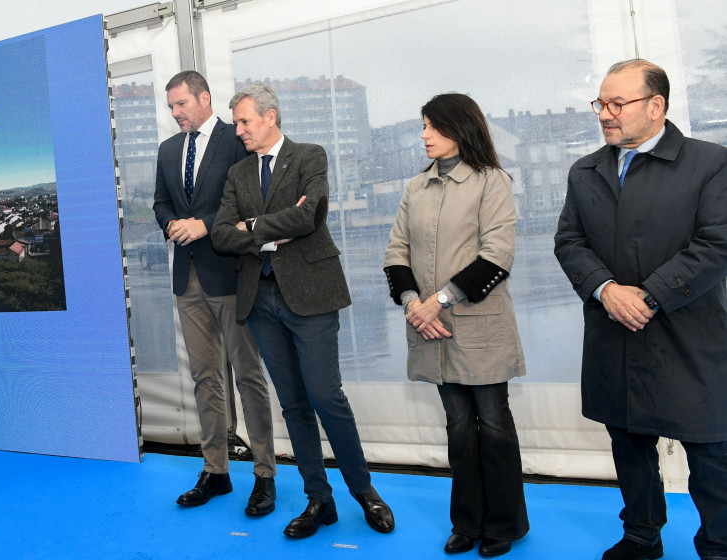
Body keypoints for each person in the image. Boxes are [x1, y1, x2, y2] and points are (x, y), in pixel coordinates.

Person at [554, 59, 727, 560]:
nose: (604, 114)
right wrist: (606, 290)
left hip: (688, 333)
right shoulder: (585, 171)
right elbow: (569, 242)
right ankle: (641, 536)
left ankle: (719, 547)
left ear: (656, 106)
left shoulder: (711, 162)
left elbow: (716, 244)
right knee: (629, 444)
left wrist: (648, 296)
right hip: (614, 331)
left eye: (617, 104)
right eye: (600, 104)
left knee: (712, 451)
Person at [211, 83, 394, 538]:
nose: (239, 130)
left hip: (311, 294)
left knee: (326, 397)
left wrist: (252, 225)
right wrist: (272, 229)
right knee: (293, 403)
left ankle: (364, 492)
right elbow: (221, 235)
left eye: (245, 121)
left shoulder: (310, 156)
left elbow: (310, 216)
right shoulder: (237, 174)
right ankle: (319, 500)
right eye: (236, 123)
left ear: (270, 117)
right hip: (260, 300)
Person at [383, 93, 529, 557]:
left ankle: (504, 524)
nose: (423, 135)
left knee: (494, 425)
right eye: (423, 125)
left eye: (432, 126)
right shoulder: (416, 187)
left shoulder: (492, 181)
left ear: (460, 128)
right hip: (431, 328)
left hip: (479, 327)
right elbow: (396, 252)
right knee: (459, 427)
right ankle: (466, 522)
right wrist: (414, 305)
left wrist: (438, 301)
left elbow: (497, 255)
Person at [152, 70, 277, 516]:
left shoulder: (236, 139)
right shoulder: (168, 149)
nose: (175, 112)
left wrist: (204, 225)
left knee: (248, 376)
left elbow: (249, 200)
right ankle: (216, 471)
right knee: (205, 377)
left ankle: (265, 474)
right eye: (170, 106)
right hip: (187, 280)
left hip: (230, 275)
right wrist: (170, 223)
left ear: (203, 98)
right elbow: (160, 202)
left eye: (181, 103)